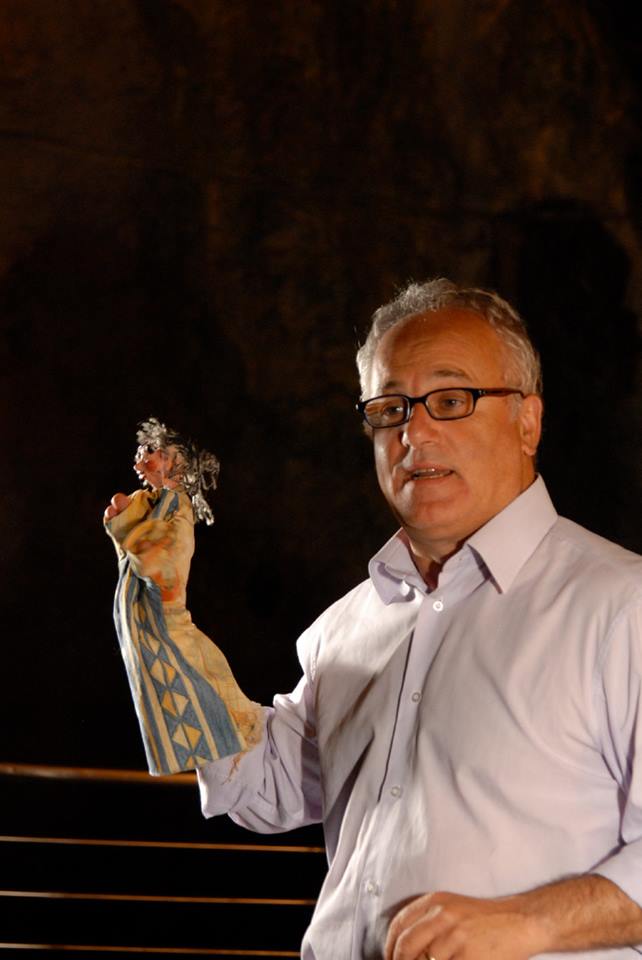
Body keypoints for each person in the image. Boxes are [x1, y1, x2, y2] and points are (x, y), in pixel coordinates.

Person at [106, 281, 642, 960]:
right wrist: (162, 614)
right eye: (391, 410)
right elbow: (260, 789)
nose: (415, 432)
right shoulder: (348, 626)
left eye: (451, 400)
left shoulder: (621, 608)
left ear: (528, 421)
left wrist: (527, 923)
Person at [104, 417, 262, 775]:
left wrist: (129, 530)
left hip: (162, 615)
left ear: (170, 458)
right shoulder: (156, 502)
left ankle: (234, 738)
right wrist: (126, 526)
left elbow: (160, 561)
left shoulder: (174, 506)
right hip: (148, 613)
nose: (139, 462)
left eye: (149, 452)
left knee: (189, 675)